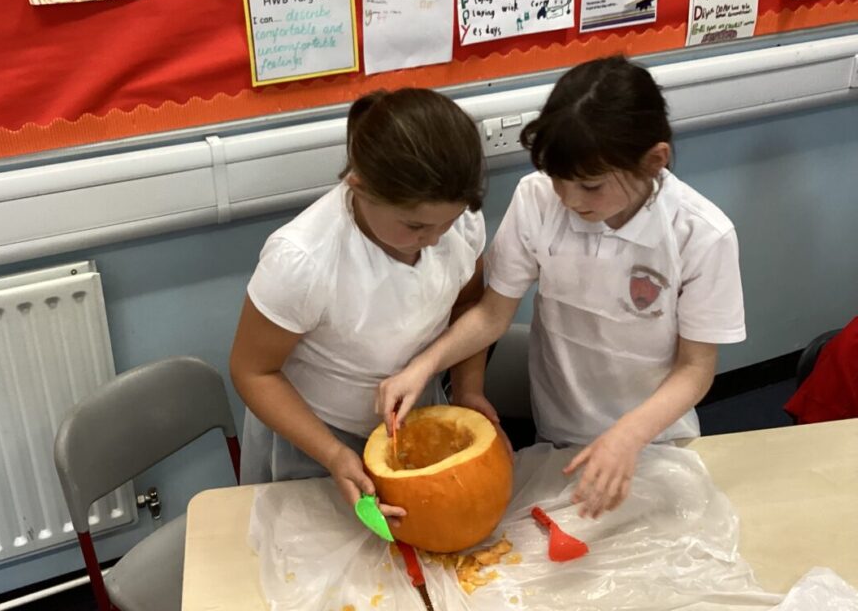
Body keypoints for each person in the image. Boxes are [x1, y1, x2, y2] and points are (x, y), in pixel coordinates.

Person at [378, 56, 746, 518]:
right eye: (558, 181)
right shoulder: (536, 199)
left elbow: (695, 368)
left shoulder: (702, 234)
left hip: (655, 440)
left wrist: (630, 435)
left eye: (591, 186)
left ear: (654, 161)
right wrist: (425, 366)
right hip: (558, 436)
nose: (570, 200)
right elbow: (491, 314)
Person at [231, 88, 491, 523]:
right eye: (416, 225)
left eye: (448, 221)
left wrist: (468, 389)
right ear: (360, 187)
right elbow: (253, 372)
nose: (435, 239)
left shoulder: (457, 225)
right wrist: (333, 454)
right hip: (315, 437)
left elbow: (468, 306)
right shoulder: (302, 260)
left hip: (415, 415)